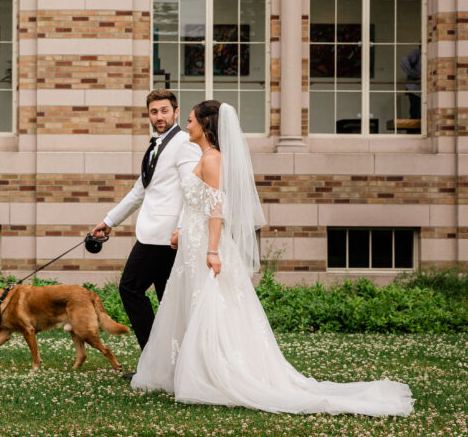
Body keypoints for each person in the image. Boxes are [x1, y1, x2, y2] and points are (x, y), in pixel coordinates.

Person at [131, 100, 414, 417]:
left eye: (191, 120)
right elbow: (196, 205)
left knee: (211, 308)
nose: (188, 126)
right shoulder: (204, 156)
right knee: (192, 306)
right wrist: (181, 232)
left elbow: (216, 210)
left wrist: (212, 251)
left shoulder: (212, 159)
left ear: (206, 126)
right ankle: (186, 369)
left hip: (206, 247)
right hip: (191, 245)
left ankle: (216, 372)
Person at [89, 88, 201, 359]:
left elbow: (192, 189)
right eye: (154, 111)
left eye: (164, 110)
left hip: (165, 236)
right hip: (157, 233)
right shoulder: (157, 144)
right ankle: (171, 362)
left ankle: (156, 358)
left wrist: (182, 228)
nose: (159, 116)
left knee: (130, 287)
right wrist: (108, 221)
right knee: (168, 300)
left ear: (175, 112)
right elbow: (141, 190)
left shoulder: (184, 143)